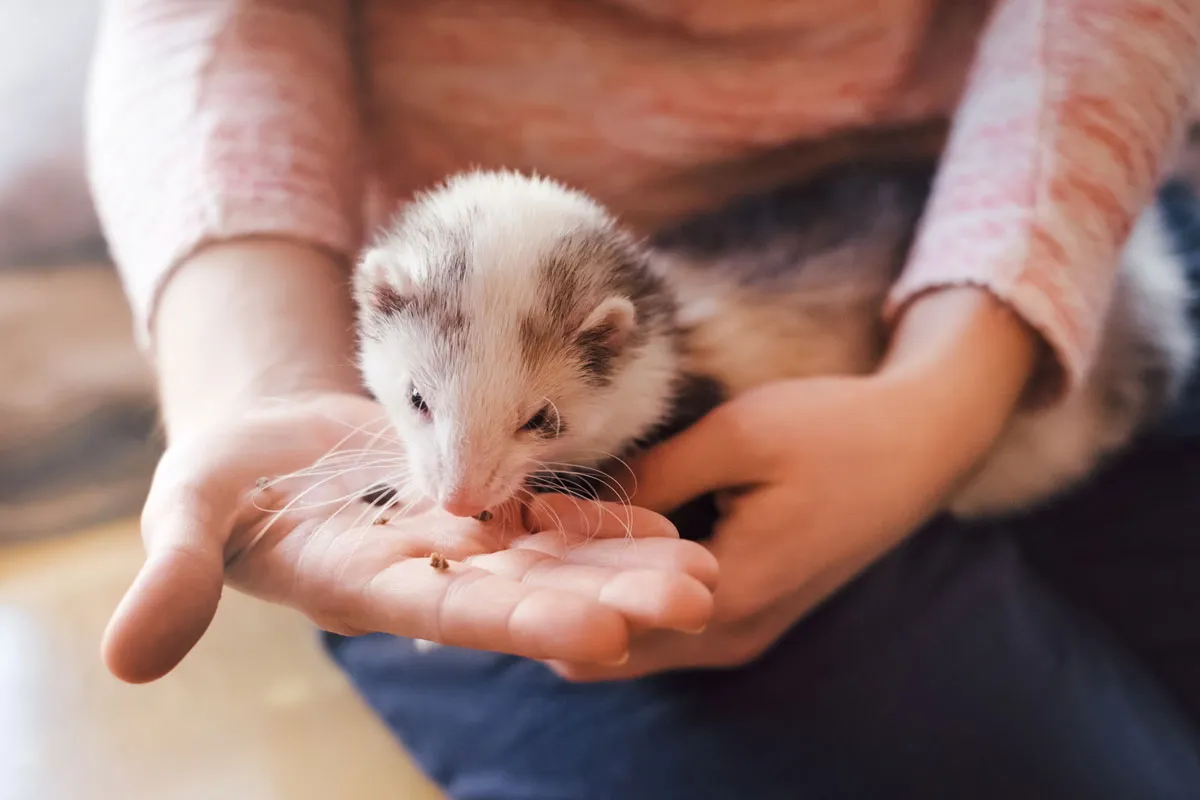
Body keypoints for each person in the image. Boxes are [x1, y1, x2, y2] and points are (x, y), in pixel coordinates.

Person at [86, 1, 1200, 797]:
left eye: (536, 425)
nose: (459, 489)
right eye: (422, 411)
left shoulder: (637, 361)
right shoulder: (456, 360)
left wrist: (949, 388)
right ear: (375, 314)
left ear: (612, 360)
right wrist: (257, 381)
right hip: (646, 287)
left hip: (1043, 232)